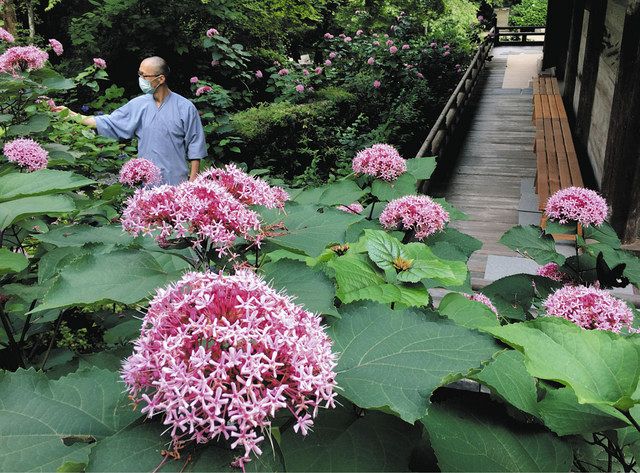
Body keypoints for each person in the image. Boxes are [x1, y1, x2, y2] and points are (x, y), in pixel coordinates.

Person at [54, 56, 207, 185]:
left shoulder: (185, 107)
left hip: (177, 181)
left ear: (160, 79)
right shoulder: (138, 105)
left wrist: (192, 181)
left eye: (144, 76)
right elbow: (109, 122)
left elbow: (195, 145)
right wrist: (73, 115)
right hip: (147, 181)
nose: (140, 79)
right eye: (139, 74)